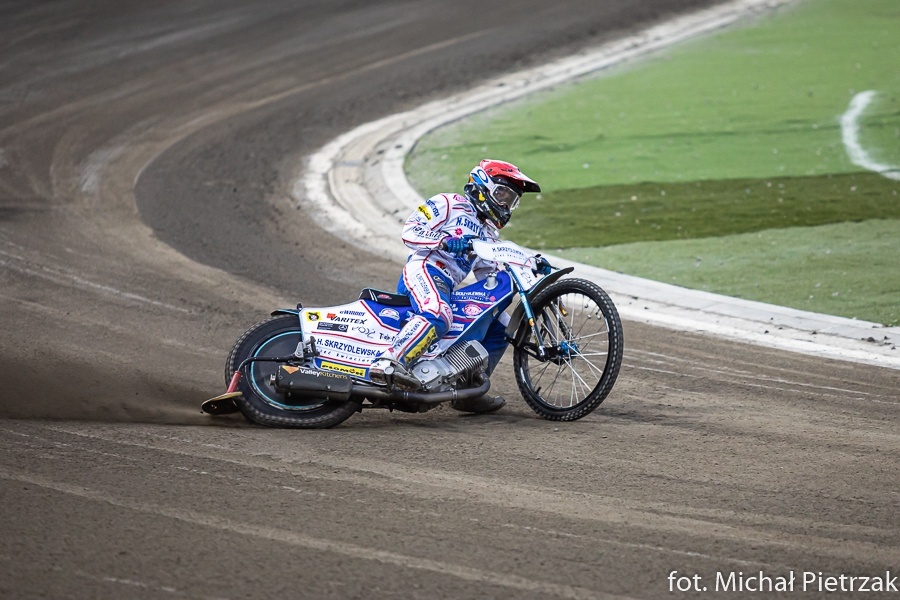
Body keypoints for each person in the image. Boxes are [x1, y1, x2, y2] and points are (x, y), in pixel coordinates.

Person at [369, 159, 547, 413]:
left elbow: (486, 274)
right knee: (438, 313)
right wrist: (443, 241)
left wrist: (522, 267)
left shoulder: (488, 233)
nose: (505, 204)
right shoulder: (449, 203)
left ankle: (469, 391)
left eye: (511, 200)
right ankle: (389, 362)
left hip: (448, 286)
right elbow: (410, 231)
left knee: (502, 326)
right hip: (425, 269)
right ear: (483, 186)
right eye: (502, 194)